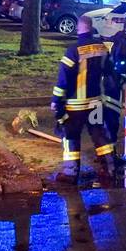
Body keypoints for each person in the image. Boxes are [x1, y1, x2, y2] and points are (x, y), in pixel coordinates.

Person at [50, 14, 116, 187]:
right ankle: (109, 167)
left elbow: (64, 78)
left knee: (70, 137)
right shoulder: (102, 47)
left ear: (79, 28)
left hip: (76, 105)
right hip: (95, 102)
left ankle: (71, 173)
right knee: (99, 134)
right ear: (91, 27)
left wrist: (56, 99)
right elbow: (110, 71)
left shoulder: (73, 50)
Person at [102, 29, 126, 150]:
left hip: (104, 88)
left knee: (104, 121)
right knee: (112, 119)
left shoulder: (108, 42)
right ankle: (111, 151)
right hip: (113, 88)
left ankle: (107, 152)